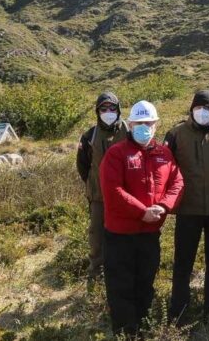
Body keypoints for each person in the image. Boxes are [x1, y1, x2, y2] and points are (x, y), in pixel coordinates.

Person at [98, 100, 184, 337]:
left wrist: (163, 206)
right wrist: (142, 212)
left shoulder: (164, 153)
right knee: (121, 285)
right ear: (130, 124)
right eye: (139, 123)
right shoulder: (116, 153)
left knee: (145, 281)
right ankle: (126, 332)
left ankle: (143, 326)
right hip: (120, 235)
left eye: (149, 123)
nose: (144, 127)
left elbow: (177, 182)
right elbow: (113, 191)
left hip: (150, 233)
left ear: (156, 125)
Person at [165, 90, 209, 322]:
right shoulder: (176, 134)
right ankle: (179, 311)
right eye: (197, 108)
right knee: (183, 262)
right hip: (188, 210)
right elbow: (165, 168)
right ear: (191, 110)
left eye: (206, 109)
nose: (201, 112)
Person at [76, 92, 129, 286]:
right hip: (98, 196)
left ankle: (121, 271)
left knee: (124, 235)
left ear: (118, 109)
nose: (108, 112)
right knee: (97, 236)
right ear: (97, 112)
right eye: (103, 109)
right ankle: (96, 275)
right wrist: (94, 183)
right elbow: (83, 166)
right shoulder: (89, 136)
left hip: (125, 196)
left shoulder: (129, 131)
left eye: (112, 108)